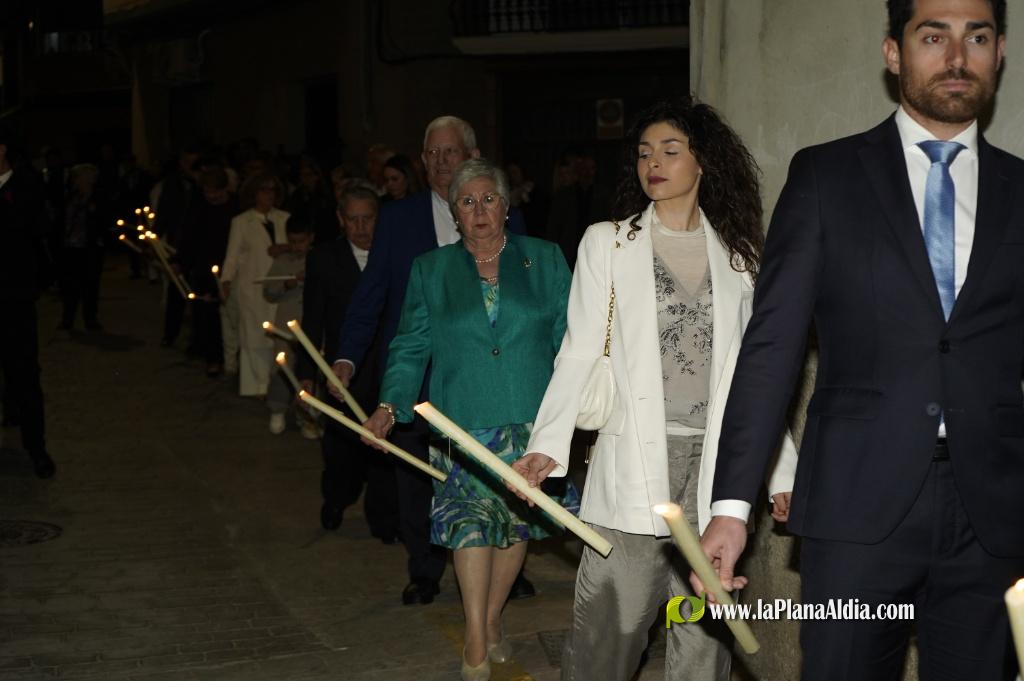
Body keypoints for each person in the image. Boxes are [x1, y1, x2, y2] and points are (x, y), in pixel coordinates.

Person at [696, 2, 1024, 680]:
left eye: (977, 36)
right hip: (854, 507)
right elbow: (772, 348)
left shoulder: (1022, 190)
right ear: (893, 52)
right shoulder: (827, 176)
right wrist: (731, 507)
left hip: (993, 515)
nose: (956, 56)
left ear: (999, 53)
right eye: (932, 35)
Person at [512, 98, 797, 681]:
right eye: (644, 154)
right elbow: (579, 350)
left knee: (702, 628)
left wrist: (782, 472)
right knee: (611, 624)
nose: (654, 164)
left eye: (670, 151)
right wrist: (548, 443)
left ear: (704, 162)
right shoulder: (608, 243)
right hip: (638, 457)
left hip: (717, 466)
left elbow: (758, 375)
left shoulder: (740, 259)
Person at [363, 158, 577, 681]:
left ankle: (493, 616)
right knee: (470, 528)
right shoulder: (431, 270)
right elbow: (411, 344)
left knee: (515, 527)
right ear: (454, 214)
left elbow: (570, 339)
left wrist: (579, 409)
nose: (479, 210)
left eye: (488, 199)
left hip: (531, 420)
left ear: (506, 205)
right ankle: (476, 636)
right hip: (461, 421)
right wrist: (389, 406)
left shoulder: (545, 259)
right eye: (467, 201)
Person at [330, 115, 529, 607]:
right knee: (417, 477)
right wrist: (347, 357)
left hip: (489, 382)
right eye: (432, 154)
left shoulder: (506, 217)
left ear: (473, 156)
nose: (441, 162)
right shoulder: (398, 219)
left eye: (450, 152)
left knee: (498, 474)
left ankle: (505, 565)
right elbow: (372, 295)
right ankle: (424, 569)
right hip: (418, 381)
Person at [298, 185, 398, 537]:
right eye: (352, 220)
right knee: (340, 445)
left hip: (387, 366)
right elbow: (313, 317)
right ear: (340, 220)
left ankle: (384, 517)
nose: (361, 228)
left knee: (385, 444)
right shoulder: (324, 258)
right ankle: (336, 499)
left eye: (368, 219)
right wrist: (307, 372)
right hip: (343, 370)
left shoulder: (395, 254)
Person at [0, 124, 56, 478]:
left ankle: (36, 448)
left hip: (14, 298)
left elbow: (36, 230)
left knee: (24, 374)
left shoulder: (27, 185)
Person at [221, 172, 289, 396]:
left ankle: (276, 384)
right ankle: (257, 386)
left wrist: (284, 248)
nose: (269, 195)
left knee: (277, 337)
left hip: (279, 286)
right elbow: (232, 255)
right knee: (253, 336)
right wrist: (226, 280)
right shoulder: (241, 222)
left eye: (272, 190)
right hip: (252, 287)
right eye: (264, 190)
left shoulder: (284, 218)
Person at [176, 167, 237, 378]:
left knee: (230, 315)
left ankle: (232, 357)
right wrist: (181, 261)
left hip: (230, 268)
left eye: (215, 191)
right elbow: (188, 236)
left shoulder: (236, 208)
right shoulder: (198, 207)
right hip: (204, 268)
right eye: (207, 192)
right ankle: (213, 358)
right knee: (207, 315)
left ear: (225, 189)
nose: (211, 196)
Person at [263, 215, 315, 436]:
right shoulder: (282, 261)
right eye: (292, 241)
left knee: (310, 372)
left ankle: (308, 417)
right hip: (285, 327)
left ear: (311, 238)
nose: (297, 246)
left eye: (301, 241)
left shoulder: (319, 259)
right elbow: (268, 292)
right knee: (283, 369)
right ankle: (277, 410)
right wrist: (286, 284)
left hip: (311, 326)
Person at [58, 164, 106, 331]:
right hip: (71, 247)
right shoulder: (70, 196)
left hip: (90, 247)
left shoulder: (98, 197)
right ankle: (68, 319)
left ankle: (90, 319)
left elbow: (104, 220)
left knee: (90, 285)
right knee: (70, 285)